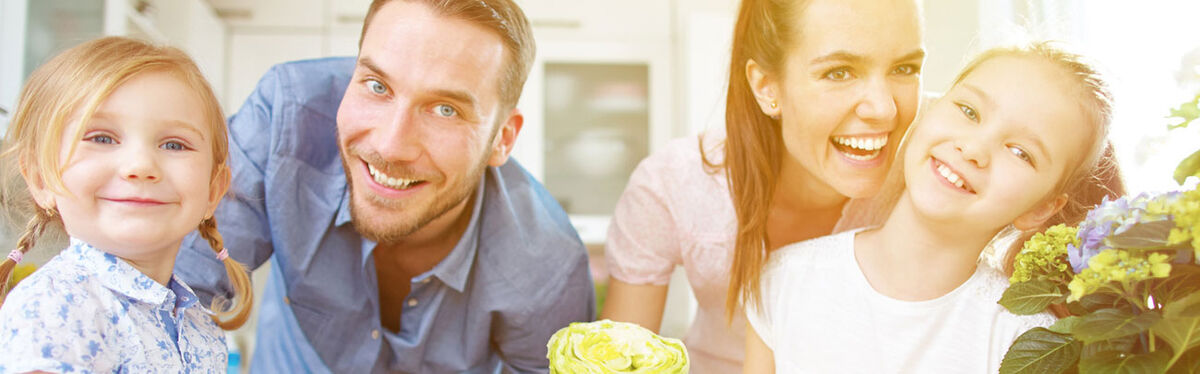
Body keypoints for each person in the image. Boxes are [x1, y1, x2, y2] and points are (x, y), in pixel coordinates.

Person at [173, 0, 595, 372]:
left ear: (502, 137)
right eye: (378, 86)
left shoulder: (548, 269)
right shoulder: (284, 119)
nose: (391, 146)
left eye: (445, 109)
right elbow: (176, 293)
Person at [743, 42, 1126, 373]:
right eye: (969, 111)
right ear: (929, 110)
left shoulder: (1022, 338)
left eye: (1020, 152)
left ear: (1042, 209)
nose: (973, 149)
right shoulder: (783, 280)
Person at [600, 0, 924, 371]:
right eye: (839, 72)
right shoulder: (675, 185)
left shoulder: (940, 165)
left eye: (905, 68)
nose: (884, 109)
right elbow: (618, 359)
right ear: (766, 85)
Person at [0, 36, 252, 372]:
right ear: (41, 178)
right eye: (102, 138)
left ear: (213, 190)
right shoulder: (55, 306)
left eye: (174, 144)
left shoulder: (199, 324)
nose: (141, 166)